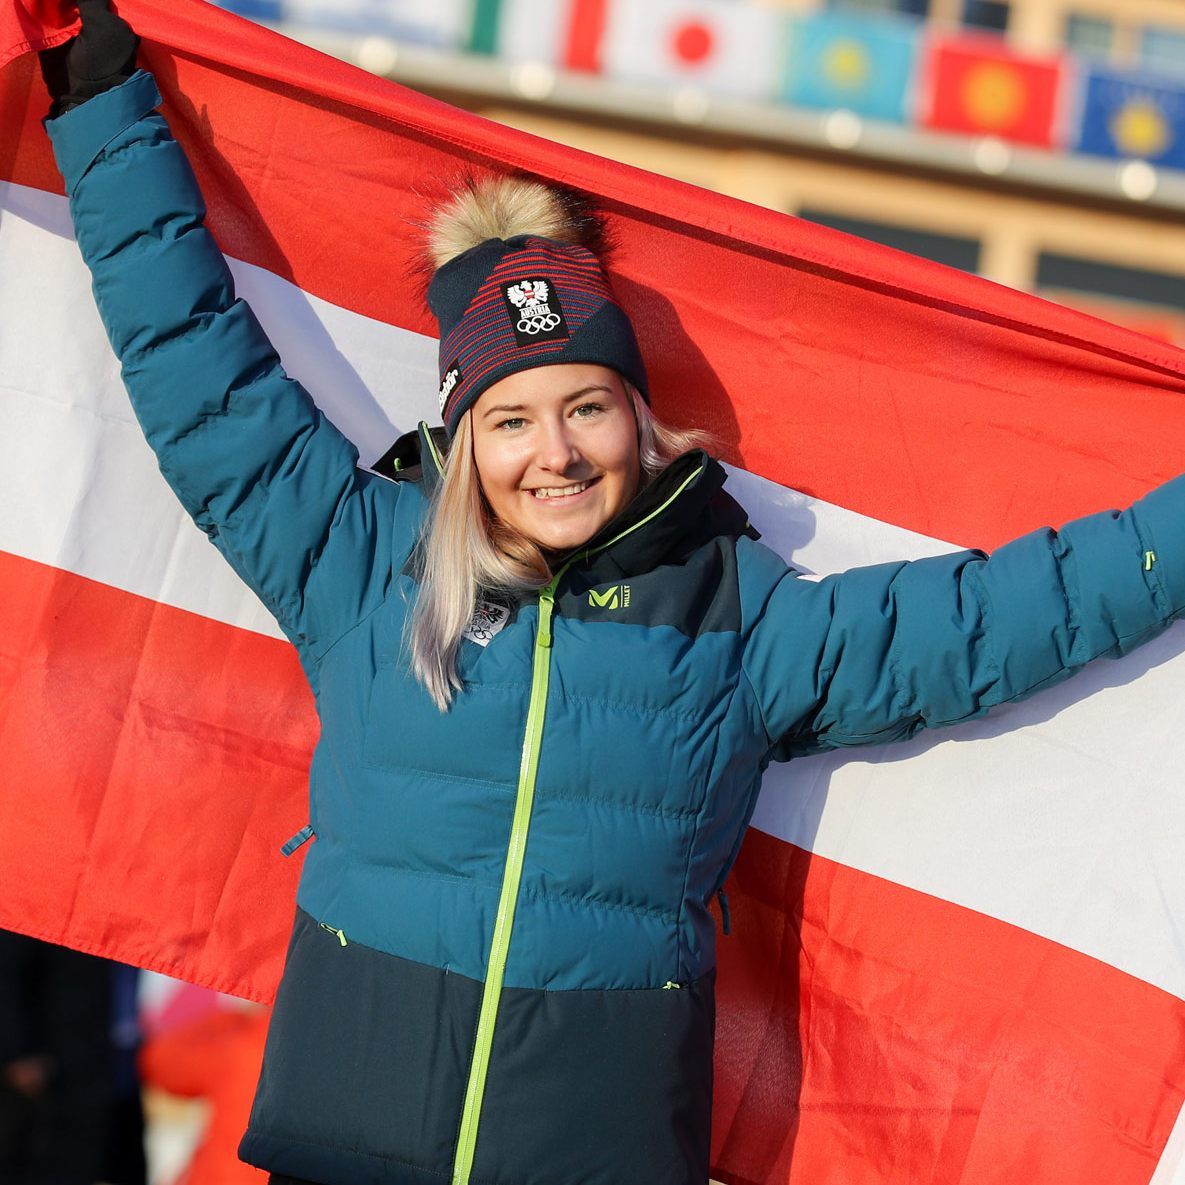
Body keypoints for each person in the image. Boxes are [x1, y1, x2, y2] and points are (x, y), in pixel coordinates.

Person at [36, 4, 1185, 1184]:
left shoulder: (734, 621)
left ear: (640, 423)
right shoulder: (362, 561)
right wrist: (99, 104)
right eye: (512, 420)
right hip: (346, 1149)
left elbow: (1009, 615)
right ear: (463, 439)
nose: (557, 452)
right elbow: (197, 372)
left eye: (588, 406)